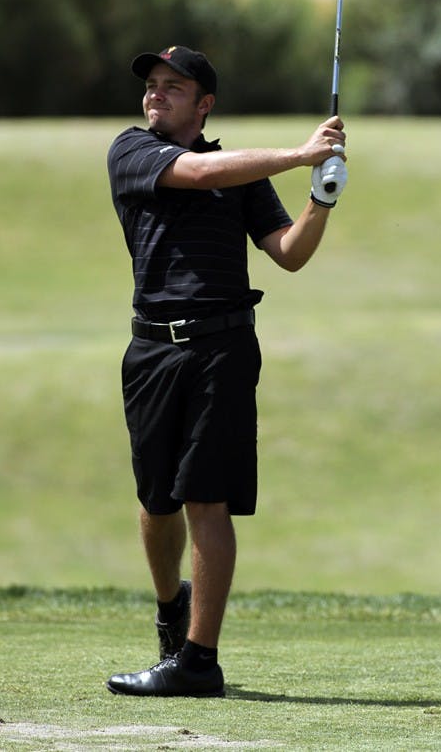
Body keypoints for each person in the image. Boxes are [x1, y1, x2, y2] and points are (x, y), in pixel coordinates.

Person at [105, 45, 348, 698]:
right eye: (152, 85)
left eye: (173, 87)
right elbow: (200, 171)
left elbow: (288, 254)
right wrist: (300, 153)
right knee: (158, 505)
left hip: (223, 348)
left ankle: (197, 661)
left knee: (206, 499)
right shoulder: (131, 152)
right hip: (153, 350)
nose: (156, 94)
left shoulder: (242, 177)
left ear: (203, 103)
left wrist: (320, 196)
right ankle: (169, 605)